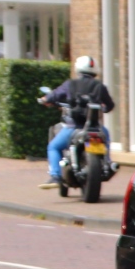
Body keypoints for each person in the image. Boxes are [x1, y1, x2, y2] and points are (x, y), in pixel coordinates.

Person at [38, 55, 116, 189]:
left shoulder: (70, 84)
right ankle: (107, 163)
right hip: (95, 128)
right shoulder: (100, 86)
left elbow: (55, 95)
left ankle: (55, 176)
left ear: (78, 68)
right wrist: (103, 108)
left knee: (53, 147)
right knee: (106, 136)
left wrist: (45, 99)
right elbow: (110, 106)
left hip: (74, 128)